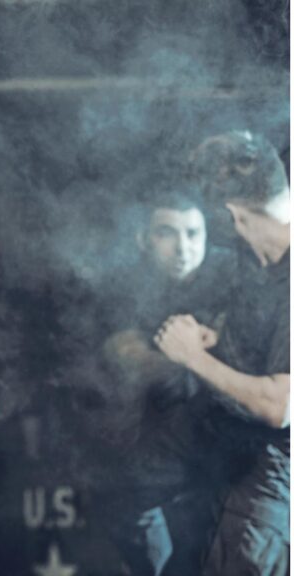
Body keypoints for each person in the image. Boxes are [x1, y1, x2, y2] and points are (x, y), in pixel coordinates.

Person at [156, 131, 290, 575]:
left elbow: (281, 404)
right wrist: (213, 337)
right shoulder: (259, 264)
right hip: (229, 463)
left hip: (271, 488)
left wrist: (195, 358)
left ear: (235, 213)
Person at [89, 184, 236, 576]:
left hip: (221, 459)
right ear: (144, 238)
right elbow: (128, 358)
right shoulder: (125, 286)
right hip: (148, 463)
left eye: (193, 233)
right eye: (166, 233)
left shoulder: (232, 278)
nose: (183, 247)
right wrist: (203, 352)